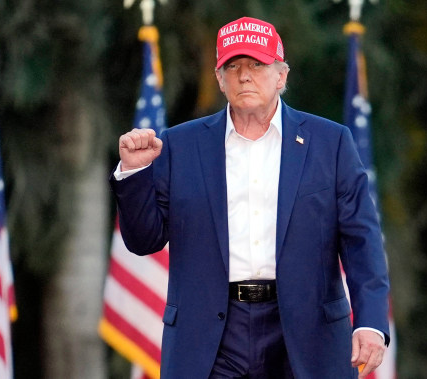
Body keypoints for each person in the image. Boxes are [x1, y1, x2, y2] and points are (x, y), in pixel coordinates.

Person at [111, 16, 390, 379]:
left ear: (282, 76)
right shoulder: (180, 145)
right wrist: (133, 172)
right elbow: (144, 240)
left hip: (306, 333)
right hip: (210, 337)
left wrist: (369, 322)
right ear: (219, 79)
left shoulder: (330, 143)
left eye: (257, 65)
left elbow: (362, 240)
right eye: (233, 66)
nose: (244, 76)